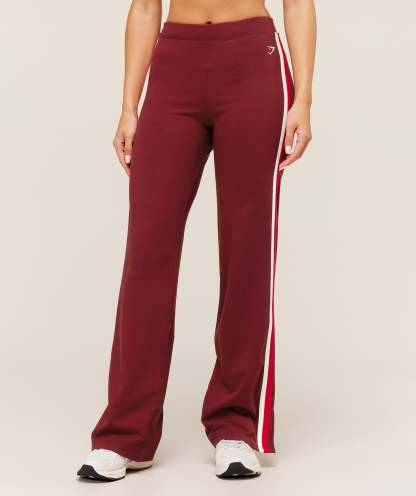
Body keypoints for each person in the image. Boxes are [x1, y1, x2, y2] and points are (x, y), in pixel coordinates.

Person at [77, 0, 316, 481]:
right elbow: (145, 8)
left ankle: (235, 425)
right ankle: (127, 434)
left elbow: (298, 3)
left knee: (248, 252)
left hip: (253, 62)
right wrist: (129, 106)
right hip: (175, 67)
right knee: (147, 253)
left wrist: (304, 100)